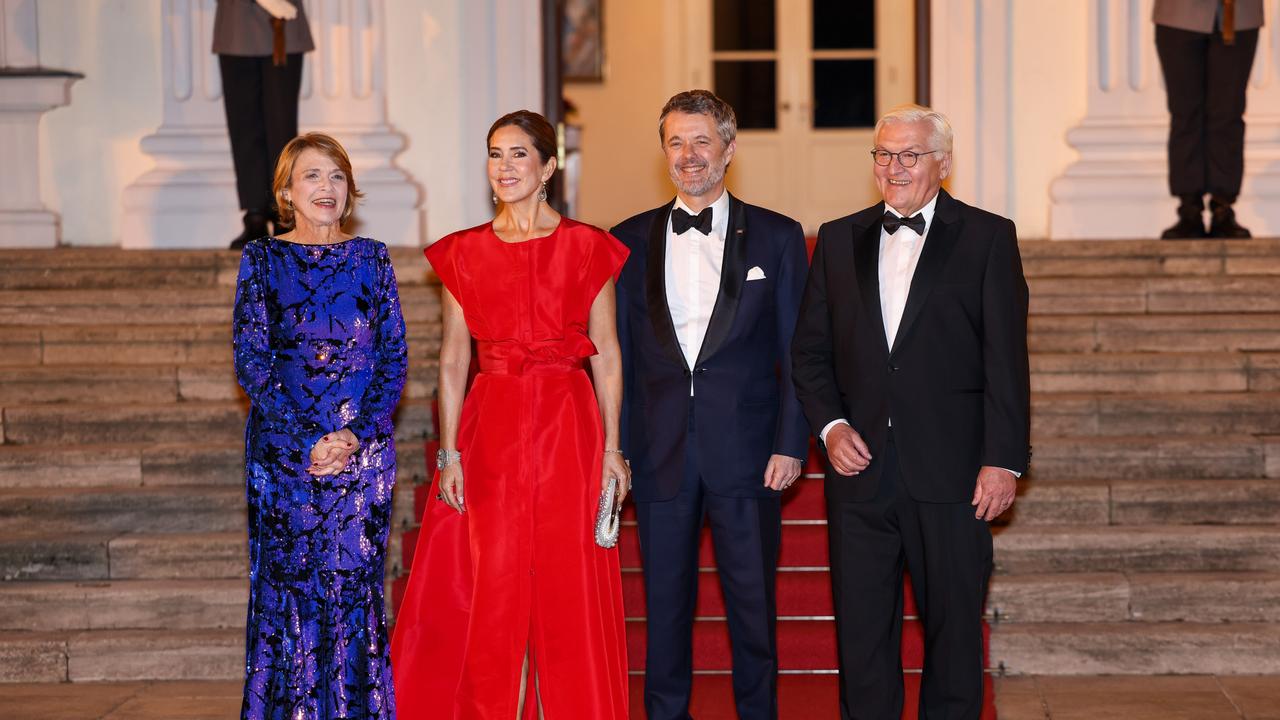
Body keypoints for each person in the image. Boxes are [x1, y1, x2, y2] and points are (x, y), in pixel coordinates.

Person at [791, 105, 1030, 720]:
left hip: (953, 475)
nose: (893, 167)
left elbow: (1006, 360)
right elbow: (810, 353)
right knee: (863, 637)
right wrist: (830, 424)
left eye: (909, 155)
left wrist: (1002, 461)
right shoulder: (839, 238)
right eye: (883, 154)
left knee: (952, 636)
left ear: (943, 165)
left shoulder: (987, 237)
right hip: (859, 477)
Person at [391, 110, 631, 719]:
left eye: (519, 155)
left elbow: (606, 356)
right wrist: (449, 452)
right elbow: (451, 360)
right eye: (496, 155)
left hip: (568, 425)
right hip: (491, 424)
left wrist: (612, 450)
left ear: (549, 166)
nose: (504, 167)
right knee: (492, 585)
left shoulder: (587, 246)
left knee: (565, 584)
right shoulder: (463, 252)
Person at [610, 89, 809, 720]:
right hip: (658, 448)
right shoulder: (626, 241)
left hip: (750, 454)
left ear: (728, 146)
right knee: (664, 609)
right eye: (676, 141)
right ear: (663, 150)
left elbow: (797, 352)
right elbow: (615, 358)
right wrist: (613, 447)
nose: (689, 155)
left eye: (702, 140)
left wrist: (791, 442)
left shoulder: (776, 238)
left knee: (752, 608)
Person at [233, 132, 407, 719]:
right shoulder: (260, 260)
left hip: (362, 456)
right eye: (312, 176)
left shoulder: (374, 257)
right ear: (286, 190)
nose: (326, 188)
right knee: (291, 592)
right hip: (285, 457)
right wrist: (311, 438)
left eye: (336, 176)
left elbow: (393, 358)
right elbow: (253, 363)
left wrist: (353, 437)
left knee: (354, 591)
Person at [1154, 0, 1264, 239]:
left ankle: (1223, 205)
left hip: (1239, 14)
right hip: (1178, 14)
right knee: (1185, 113)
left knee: (1228, 113)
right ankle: (1189, 208)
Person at [214, 0, 314, 249]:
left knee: (282, 128)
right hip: (236, 22)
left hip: (283, 24)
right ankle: (255, 213)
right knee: (244, 125)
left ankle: (283, 211)